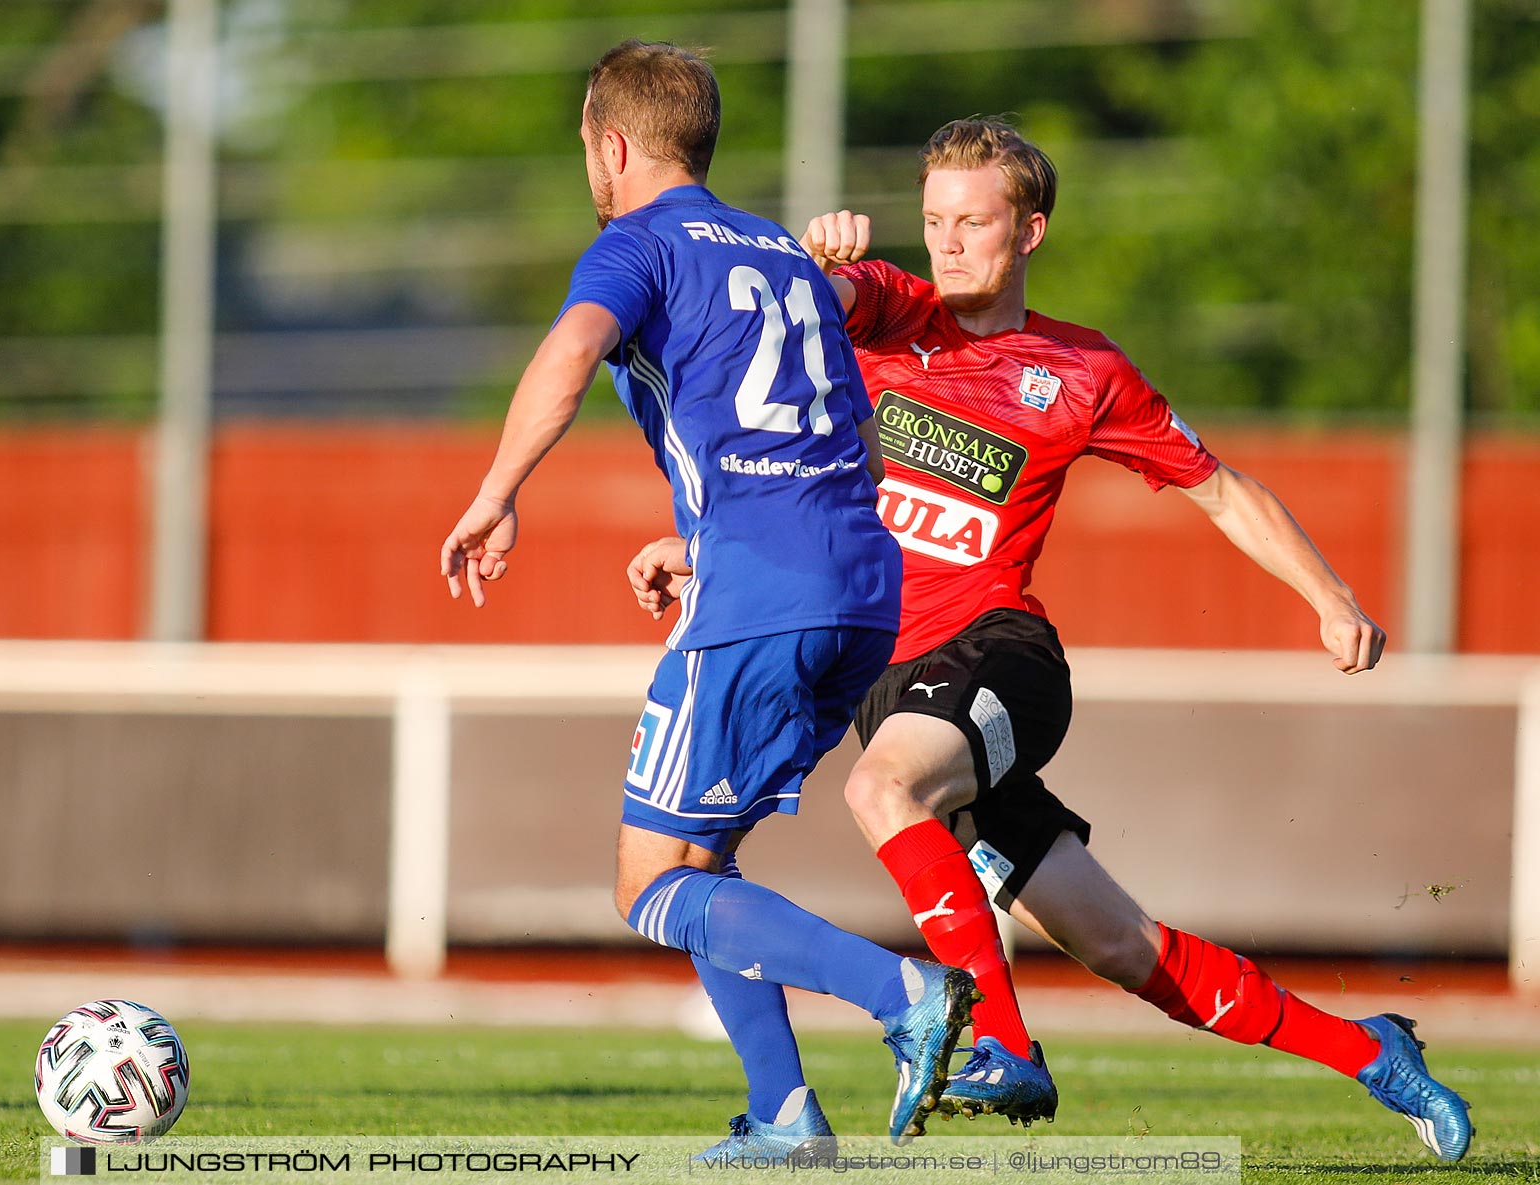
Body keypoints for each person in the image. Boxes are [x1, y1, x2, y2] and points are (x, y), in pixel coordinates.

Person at [628, 117, 1473, 1162]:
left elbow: (1222, 491)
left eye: (972, 223)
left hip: (997, 657)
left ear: (1030, 230)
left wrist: (1330, 594)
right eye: (932, 219)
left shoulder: (1083, 371)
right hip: (891, 685)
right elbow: (806, 347)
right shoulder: (893, 312)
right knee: (1122, 946)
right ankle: (1372, 1052)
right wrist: (815, 263)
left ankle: (1002, 1043)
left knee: (879, 791)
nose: (946, 244)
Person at [439, 41, 980, 1159]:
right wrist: (700, 540)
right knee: (701, 862)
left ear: (614, 144)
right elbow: (836, 440)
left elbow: (571, 349)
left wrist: (496, 493)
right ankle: (787, 1117)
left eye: (586, 146)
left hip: (765, 591)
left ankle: (907, 997)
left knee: (648, 886)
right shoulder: (782, 254)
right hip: (858, 585)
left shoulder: (635, 242)